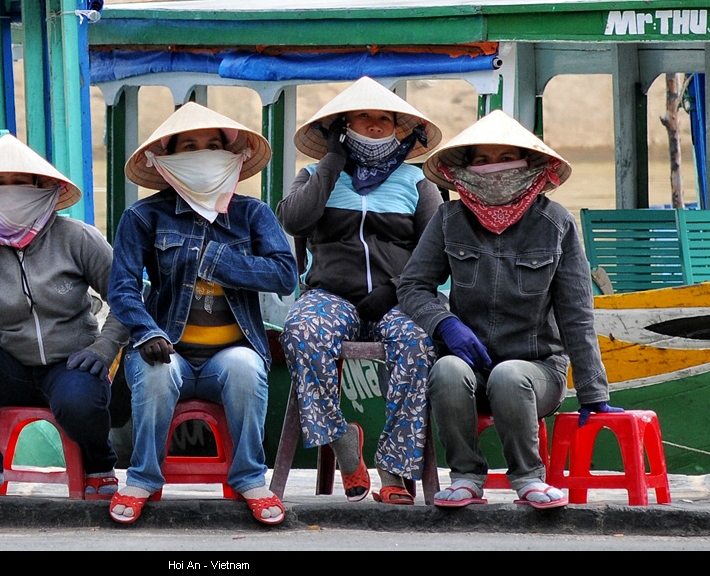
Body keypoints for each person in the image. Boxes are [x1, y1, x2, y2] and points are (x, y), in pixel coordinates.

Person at [397, 109, 622, 510]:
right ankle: (465, 476)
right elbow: (413, 287)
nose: (494, 170)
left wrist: (592, 391)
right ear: (464, 170)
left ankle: (528, 478)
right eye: (482, 161)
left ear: (528, 164)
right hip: (469, 368)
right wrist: (445, 323)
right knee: (446, 369)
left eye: (505, 158)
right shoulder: (449, 219)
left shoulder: (556, 223)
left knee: (508, 374)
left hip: (537, 372)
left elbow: (576, 314)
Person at [107, 102, 298, 525]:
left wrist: (218, 261)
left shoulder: (252, 214)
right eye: (190, 147)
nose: (204, 153)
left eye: (214, 146)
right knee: (157, 371)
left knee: (247, 367)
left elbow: (286, 274)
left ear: (233, 156)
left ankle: (250, 477)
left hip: (228, 354)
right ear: (168, 160)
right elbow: (121, 289)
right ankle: (142, 478)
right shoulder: (143, 216)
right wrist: (145, 332)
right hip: (166, 348)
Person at [0, 134, 128, 500]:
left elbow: (126, 297)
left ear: (39, 188)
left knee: (79, 403)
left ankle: (100, 462)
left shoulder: (77, 237)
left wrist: (103, 348)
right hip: (10, 368)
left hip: (72, 366)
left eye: (19, 182)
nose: (9, 191)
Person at [276, 76, 444, 505]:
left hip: (397, 299)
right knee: (300, 330)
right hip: (331, 297)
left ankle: (393, 466)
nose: (373, 125)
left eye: (383, 119)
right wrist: (332, 162)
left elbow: (436, 254)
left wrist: (395, 289)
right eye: (363, 117)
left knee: (419, 339)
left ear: (397, 128)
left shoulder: (418, 184)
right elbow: (294, 221)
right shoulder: (313, 175)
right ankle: (343, 444)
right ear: (344, 125)